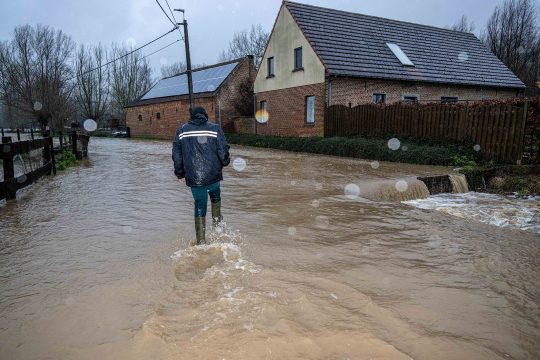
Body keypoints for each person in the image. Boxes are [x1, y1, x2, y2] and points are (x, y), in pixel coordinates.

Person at [172, 106, 230, 245]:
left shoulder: (181, 130)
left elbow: (176, 155)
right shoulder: (215, 128)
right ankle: (218, 231)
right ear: (205, 115)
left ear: (191, 116)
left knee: (199, 206)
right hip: (213, 175)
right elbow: (223, 151)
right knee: (216, 199)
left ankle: (201, 242)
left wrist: (180, 174)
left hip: (194, 178)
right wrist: (225, 162)